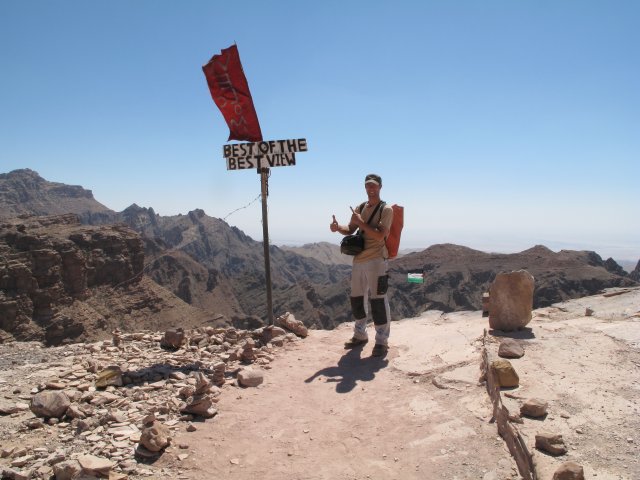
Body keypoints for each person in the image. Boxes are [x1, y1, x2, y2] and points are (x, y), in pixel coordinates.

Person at [330, 173, 394, 357]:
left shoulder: (386, 209)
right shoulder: (360, 207)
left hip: (376, 259)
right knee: (357, 299)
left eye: (373, 185)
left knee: (378, 300)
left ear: (380, 187)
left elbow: (380, 235)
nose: (370, 188)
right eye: (368, 185)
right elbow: (349, 229)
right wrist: (337, 228)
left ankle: (381, 341)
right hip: (359, 259)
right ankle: (360, 335)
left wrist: (361, 222)